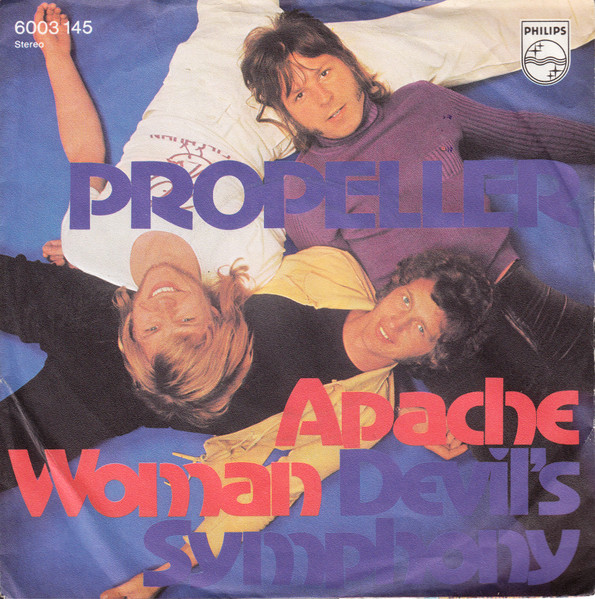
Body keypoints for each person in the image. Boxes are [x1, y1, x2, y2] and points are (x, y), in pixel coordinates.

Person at [240, 9, 595, 400]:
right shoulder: (301, 183)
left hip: (510, 287)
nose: (323, 97)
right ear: (288, 113)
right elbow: (346, 295)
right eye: (299, 94)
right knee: (516, 435)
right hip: (433, 341)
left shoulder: (423, 103)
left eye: (324, 72)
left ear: (348, 62)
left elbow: (525, 132)